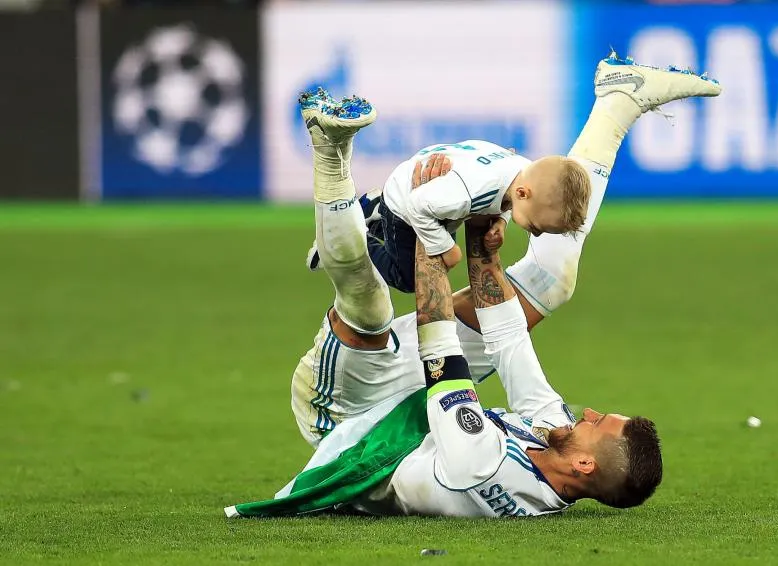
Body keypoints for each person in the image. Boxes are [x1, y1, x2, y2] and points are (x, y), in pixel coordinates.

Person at [225, 53, 721, 518]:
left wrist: (434, 217)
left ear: (586, 466)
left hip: (352, 417)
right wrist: (482, 226)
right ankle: (619, 100)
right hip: (418, 391)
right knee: (552, 281)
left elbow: (436, 332)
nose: (587, 411)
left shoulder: (480, 464)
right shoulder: (554, 442)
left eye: (598, 422)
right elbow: (507, 338)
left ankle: (330, 151)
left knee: (369, 306)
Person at [303, 89, 593, 293]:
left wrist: (502, 221)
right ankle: (348, 238)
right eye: (538, 227)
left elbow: (505, 197)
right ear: (522, 195)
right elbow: (419, 204)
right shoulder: (472, 192)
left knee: (441, 226)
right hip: (407, 201)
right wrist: (446, 248)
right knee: (408, 278)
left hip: (439, 186)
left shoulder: (523, 172)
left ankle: (371, 206)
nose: (537, 235)